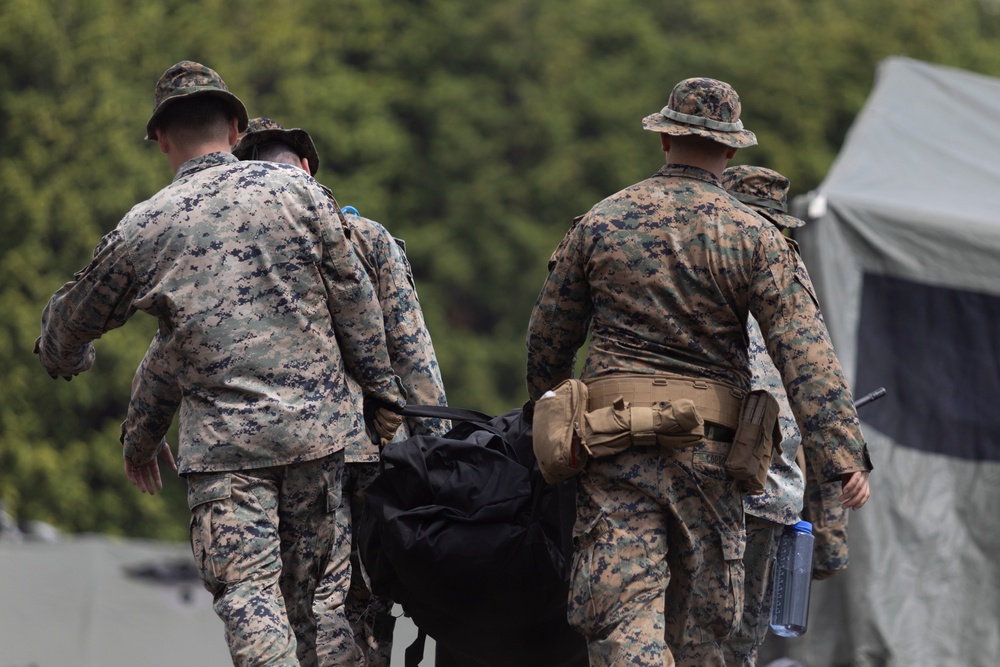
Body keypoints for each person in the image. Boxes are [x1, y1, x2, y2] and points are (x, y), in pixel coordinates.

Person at [34, 61, 406, 667]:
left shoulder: (147, 225)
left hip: (228, 459)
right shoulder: (302, 196)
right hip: (319, 445)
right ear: (236, 127)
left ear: (160, 138)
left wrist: (75, 361)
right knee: (323, 607)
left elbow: (71, 326)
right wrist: (383, 396)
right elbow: (357, 304)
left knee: (252, 600)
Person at [524, 77, 872, 667]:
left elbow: (548, 343)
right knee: (706, 634)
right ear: (731, 151)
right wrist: (841, 458)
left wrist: (546, 413)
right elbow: (807, 361)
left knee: (622, 613)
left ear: (664, 139)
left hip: (613, 447)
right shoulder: (756, 238)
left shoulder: (602, 221)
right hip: (711, 460)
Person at [121, 116, 450, 666]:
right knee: (355, 607)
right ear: (304, 165)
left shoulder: (220, 244)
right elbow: (412, 355)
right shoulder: (366, 239)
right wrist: (440, 462)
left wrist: (140, 435)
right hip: (365, 454)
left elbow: (167, 356)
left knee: (277, 601)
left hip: (257, 456)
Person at [720, 165, 851, 666]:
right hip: (759, 500)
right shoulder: (789, 310)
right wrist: (831, 541)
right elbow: (816, 411)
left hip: (708, 492)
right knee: (733, 643)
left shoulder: (695, 287)